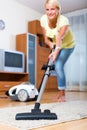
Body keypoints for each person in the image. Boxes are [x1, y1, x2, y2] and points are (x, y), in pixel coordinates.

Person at [40, 0, 75, 102]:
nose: (49, 12)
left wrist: (55, 51)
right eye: (47, 9)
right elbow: (46, 39)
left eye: (52, 9)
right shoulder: (43, 19)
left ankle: (62, 93)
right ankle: (60, 91)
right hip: (57, 45)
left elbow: (60, 37)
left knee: (58, 65)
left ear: (58, 10)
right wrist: (53, 46)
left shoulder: (64, 21)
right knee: (56, 65)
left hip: (68, 45)